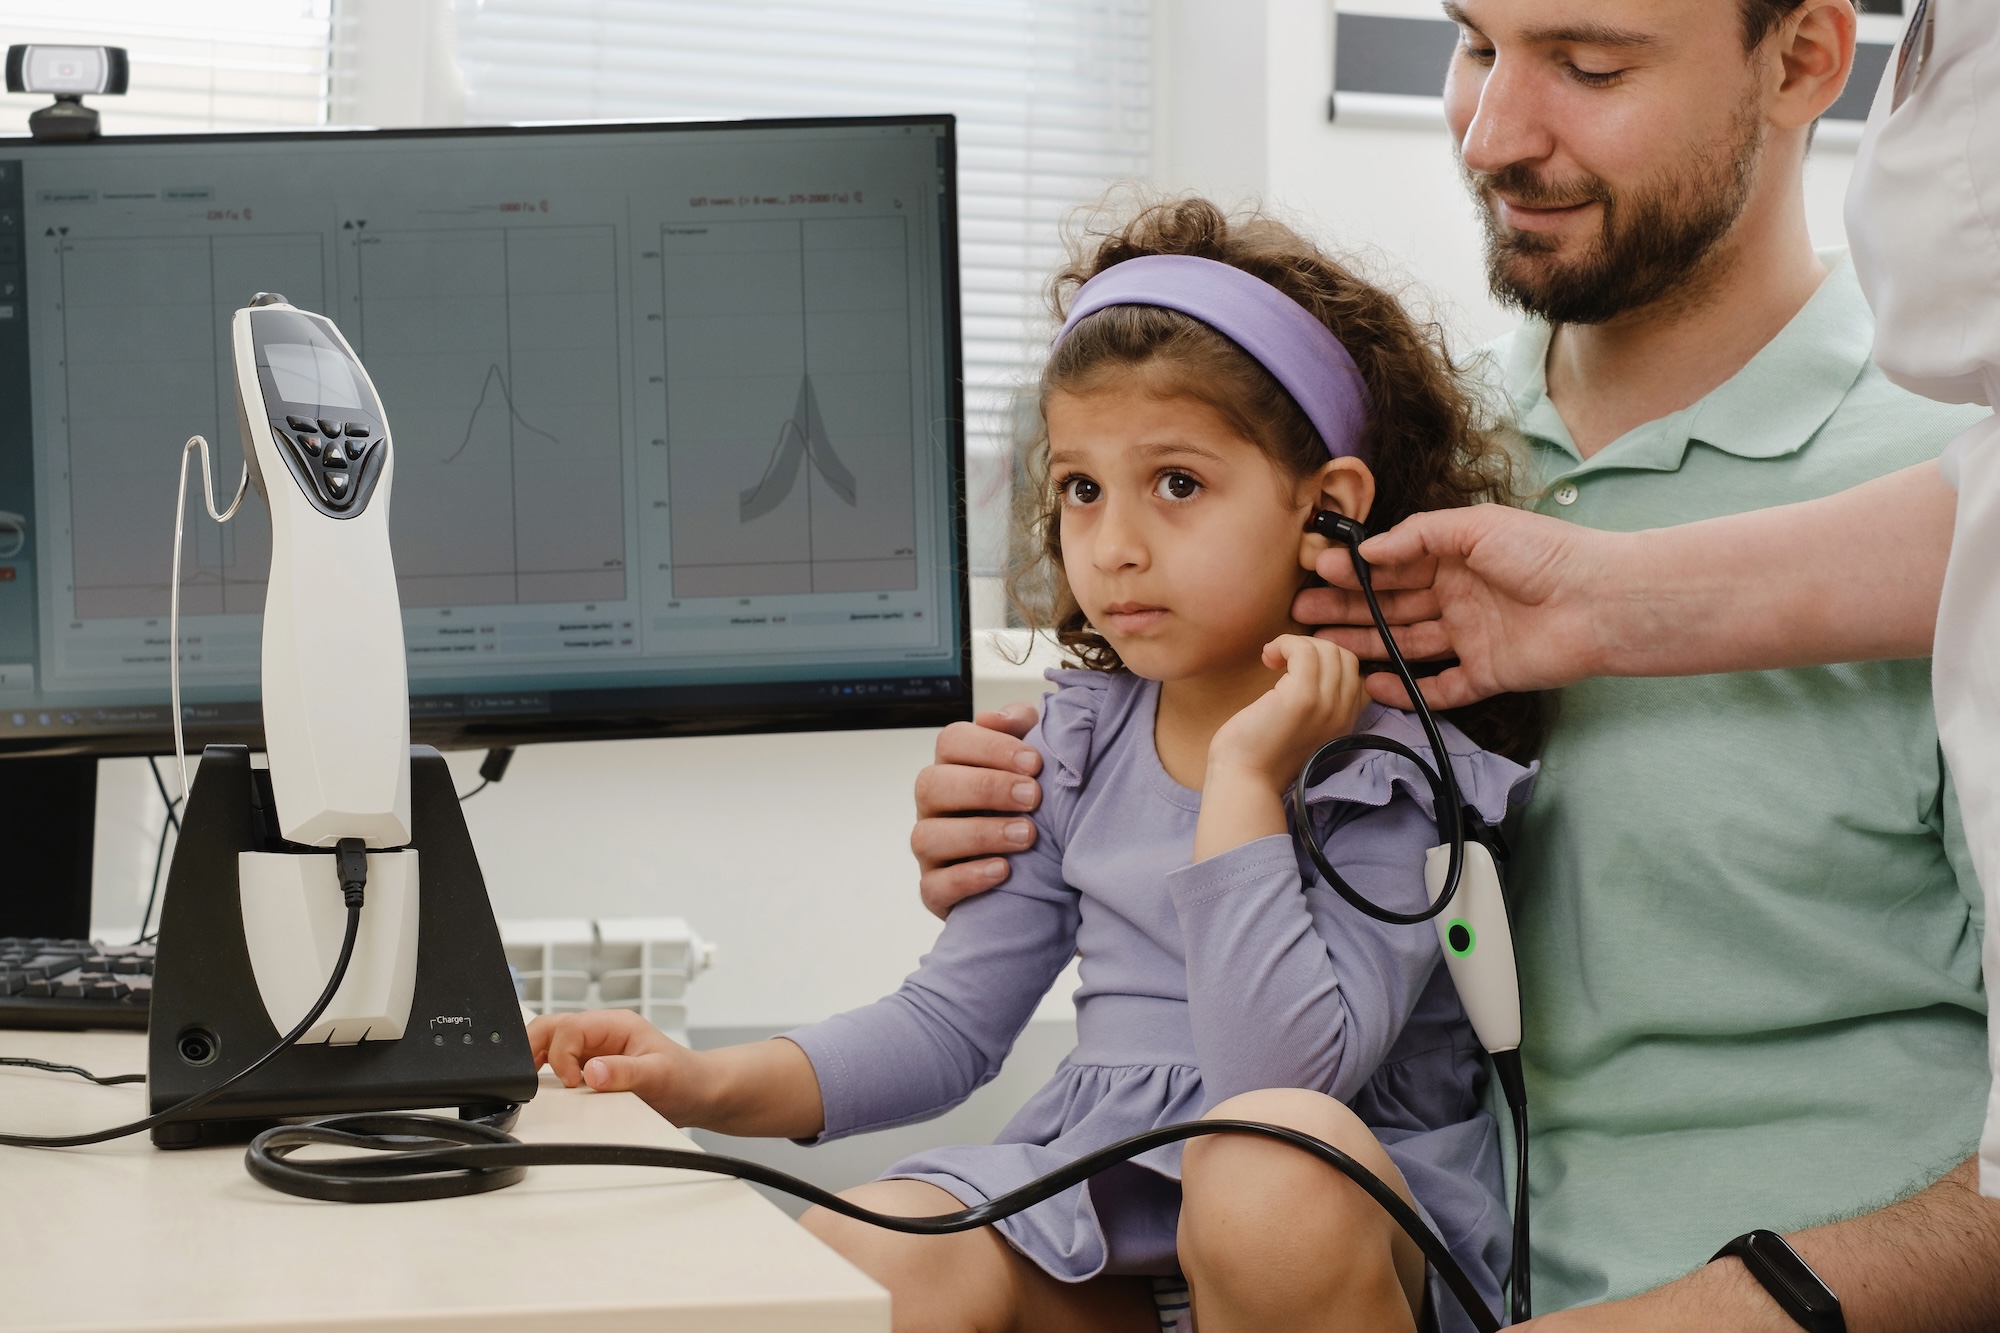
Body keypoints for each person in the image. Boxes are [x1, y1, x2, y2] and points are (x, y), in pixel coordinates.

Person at [914, 1, 2000, 1327]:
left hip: (1784, 1300)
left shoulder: (1952, 486)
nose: (1491, 135)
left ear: (1806, 60)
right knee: (889, 1261)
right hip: (1369, 1277)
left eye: (1591, 66)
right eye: (1477, 44)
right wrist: (1049, 825)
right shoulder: (1366, 467)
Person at [532, 201, 1539, 1333]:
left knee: (1265, 1170)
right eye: (1079, 488)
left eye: (1176, 484)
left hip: (1322, 1239)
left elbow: (1284, 1079)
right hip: (1105, 1215)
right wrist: (698, 1082)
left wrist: (1248, 780)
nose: (1111, 545)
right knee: (860, 1253)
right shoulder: (1080, 739)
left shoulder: (1391, 772)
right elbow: (947, 1026)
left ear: (1329, 509)